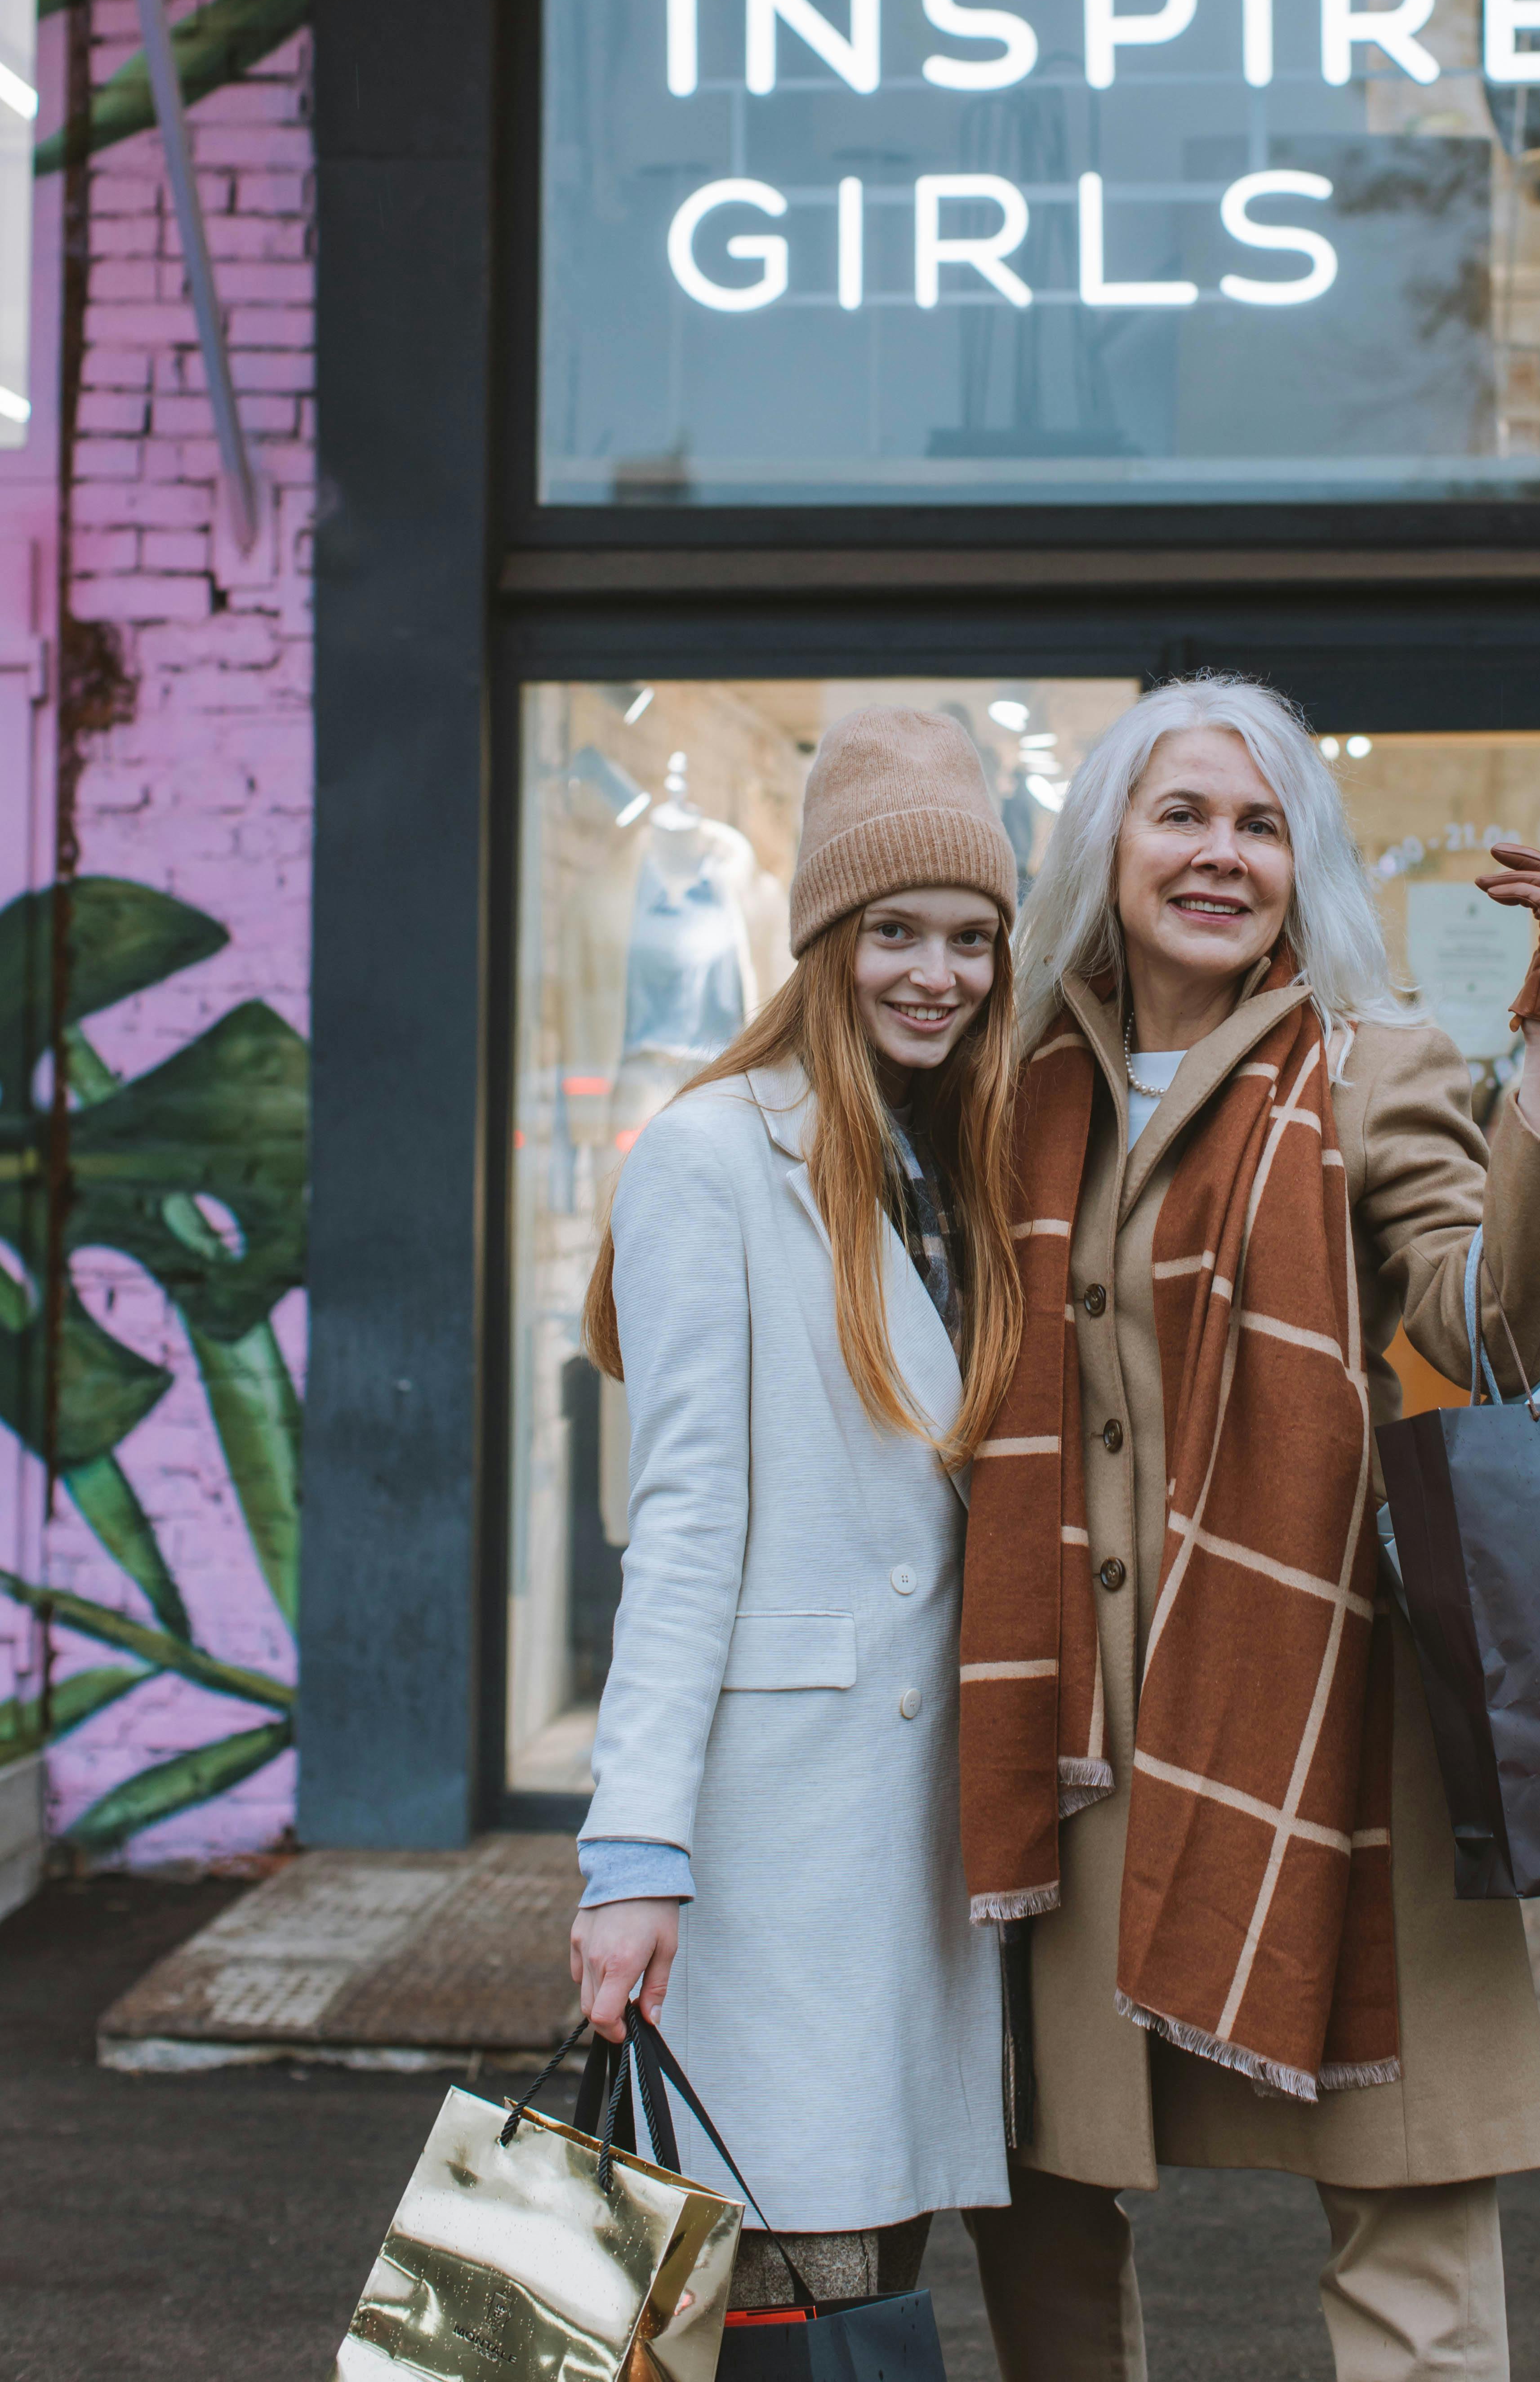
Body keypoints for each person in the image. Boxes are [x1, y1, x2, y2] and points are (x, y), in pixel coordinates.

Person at [958, 673, 1540, 2382]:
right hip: (1074, 1742)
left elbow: (1494, 1334)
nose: (1218, 854)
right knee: (1043, 2203)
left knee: (1409, 2209)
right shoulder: (1013, 1088)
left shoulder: (1376, 1062)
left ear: (1299, 866)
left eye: (1260, 825)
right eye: (1181, 813)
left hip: (1323, 1723)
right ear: (1107, 843)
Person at [570, 706, 1023, 2308]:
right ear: (824, 938)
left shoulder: (971, 1159)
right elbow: (682, 1523)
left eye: (972, 937)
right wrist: (632, 1855)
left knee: (867, 2275)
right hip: (784, 1828)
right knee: (788, 2269)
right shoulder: (712, 1154)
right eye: (894, 930)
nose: (937, 973)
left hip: (926, 1829)